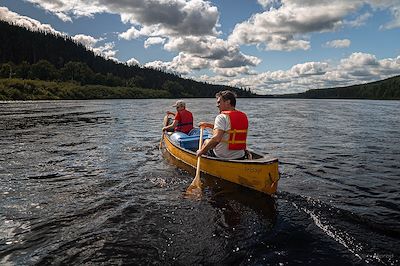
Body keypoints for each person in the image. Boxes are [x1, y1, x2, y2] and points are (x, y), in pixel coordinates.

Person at [196, 90, 248, 160]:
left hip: (222, 156)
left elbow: (216, 139)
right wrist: (208, 125)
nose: (217, 105)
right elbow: (228, 130)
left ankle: (202, 159)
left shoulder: (222, 117)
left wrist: (201, 151)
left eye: (219, 102)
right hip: (240, 155)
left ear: (228, 102)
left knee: (206, 141)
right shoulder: (243, 116)